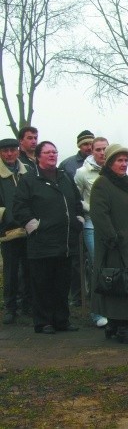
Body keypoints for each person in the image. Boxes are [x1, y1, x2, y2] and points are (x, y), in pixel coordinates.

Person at [13, 141, 84, 334]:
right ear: (38, 156)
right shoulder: (29, 180)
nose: (52, 155)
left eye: (55, 151)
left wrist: (79, 220)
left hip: (66, 242)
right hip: (41, 243)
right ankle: (43, 322)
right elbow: (19, 207)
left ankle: (62, 320)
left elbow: (77, 202)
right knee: (42, 284)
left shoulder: (65, 177)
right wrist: (34, 226)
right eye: (47, 152)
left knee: (62, 284)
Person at [90, 144, 128, 345]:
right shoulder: (102, 184)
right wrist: (112, 237)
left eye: (126, 161)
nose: (124, 164)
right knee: (120, 284)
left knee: (123, 283)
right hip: (115, 246)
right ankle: (123, 327)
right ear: (109, 162)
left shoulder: (124, 183)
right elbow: (99, 214)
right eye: (119, 161)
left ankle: (114, 324)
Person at [74, 137, 109, 328]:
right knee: (98, 267)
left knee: (113, 267)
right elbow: (75, 198)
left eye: (105, 149)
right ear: (92, 151)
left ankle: (113, 309)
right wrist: (92, 207)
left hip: (112, 226)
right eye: (98, 149)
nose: (102, 152)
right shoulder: (82, 173)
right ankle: (97, 313)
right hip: (92, 225)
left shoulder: (114, 169)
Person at [59, 130, 94, 309]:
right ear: (79, 145)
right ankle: (77, 296)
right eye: (85, 144)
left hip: (95, 221)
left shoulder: (99, 162)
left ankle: (96, 295)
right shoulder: (68, 165)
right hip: (76, 219)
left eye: (91, 143)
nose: (89, 147)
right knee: (76, 262)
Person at [0, 138, 31, 324]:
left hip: (28, 229)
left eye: (12, 150)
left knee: (29, 269)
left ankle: (28, 304)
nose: (9, 154)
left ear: (18, 151)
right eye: (5, 151)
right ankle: (10, 308)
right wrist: (7, 217)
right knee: (10, 272)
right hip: (8, 230)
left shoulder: (27, 172)